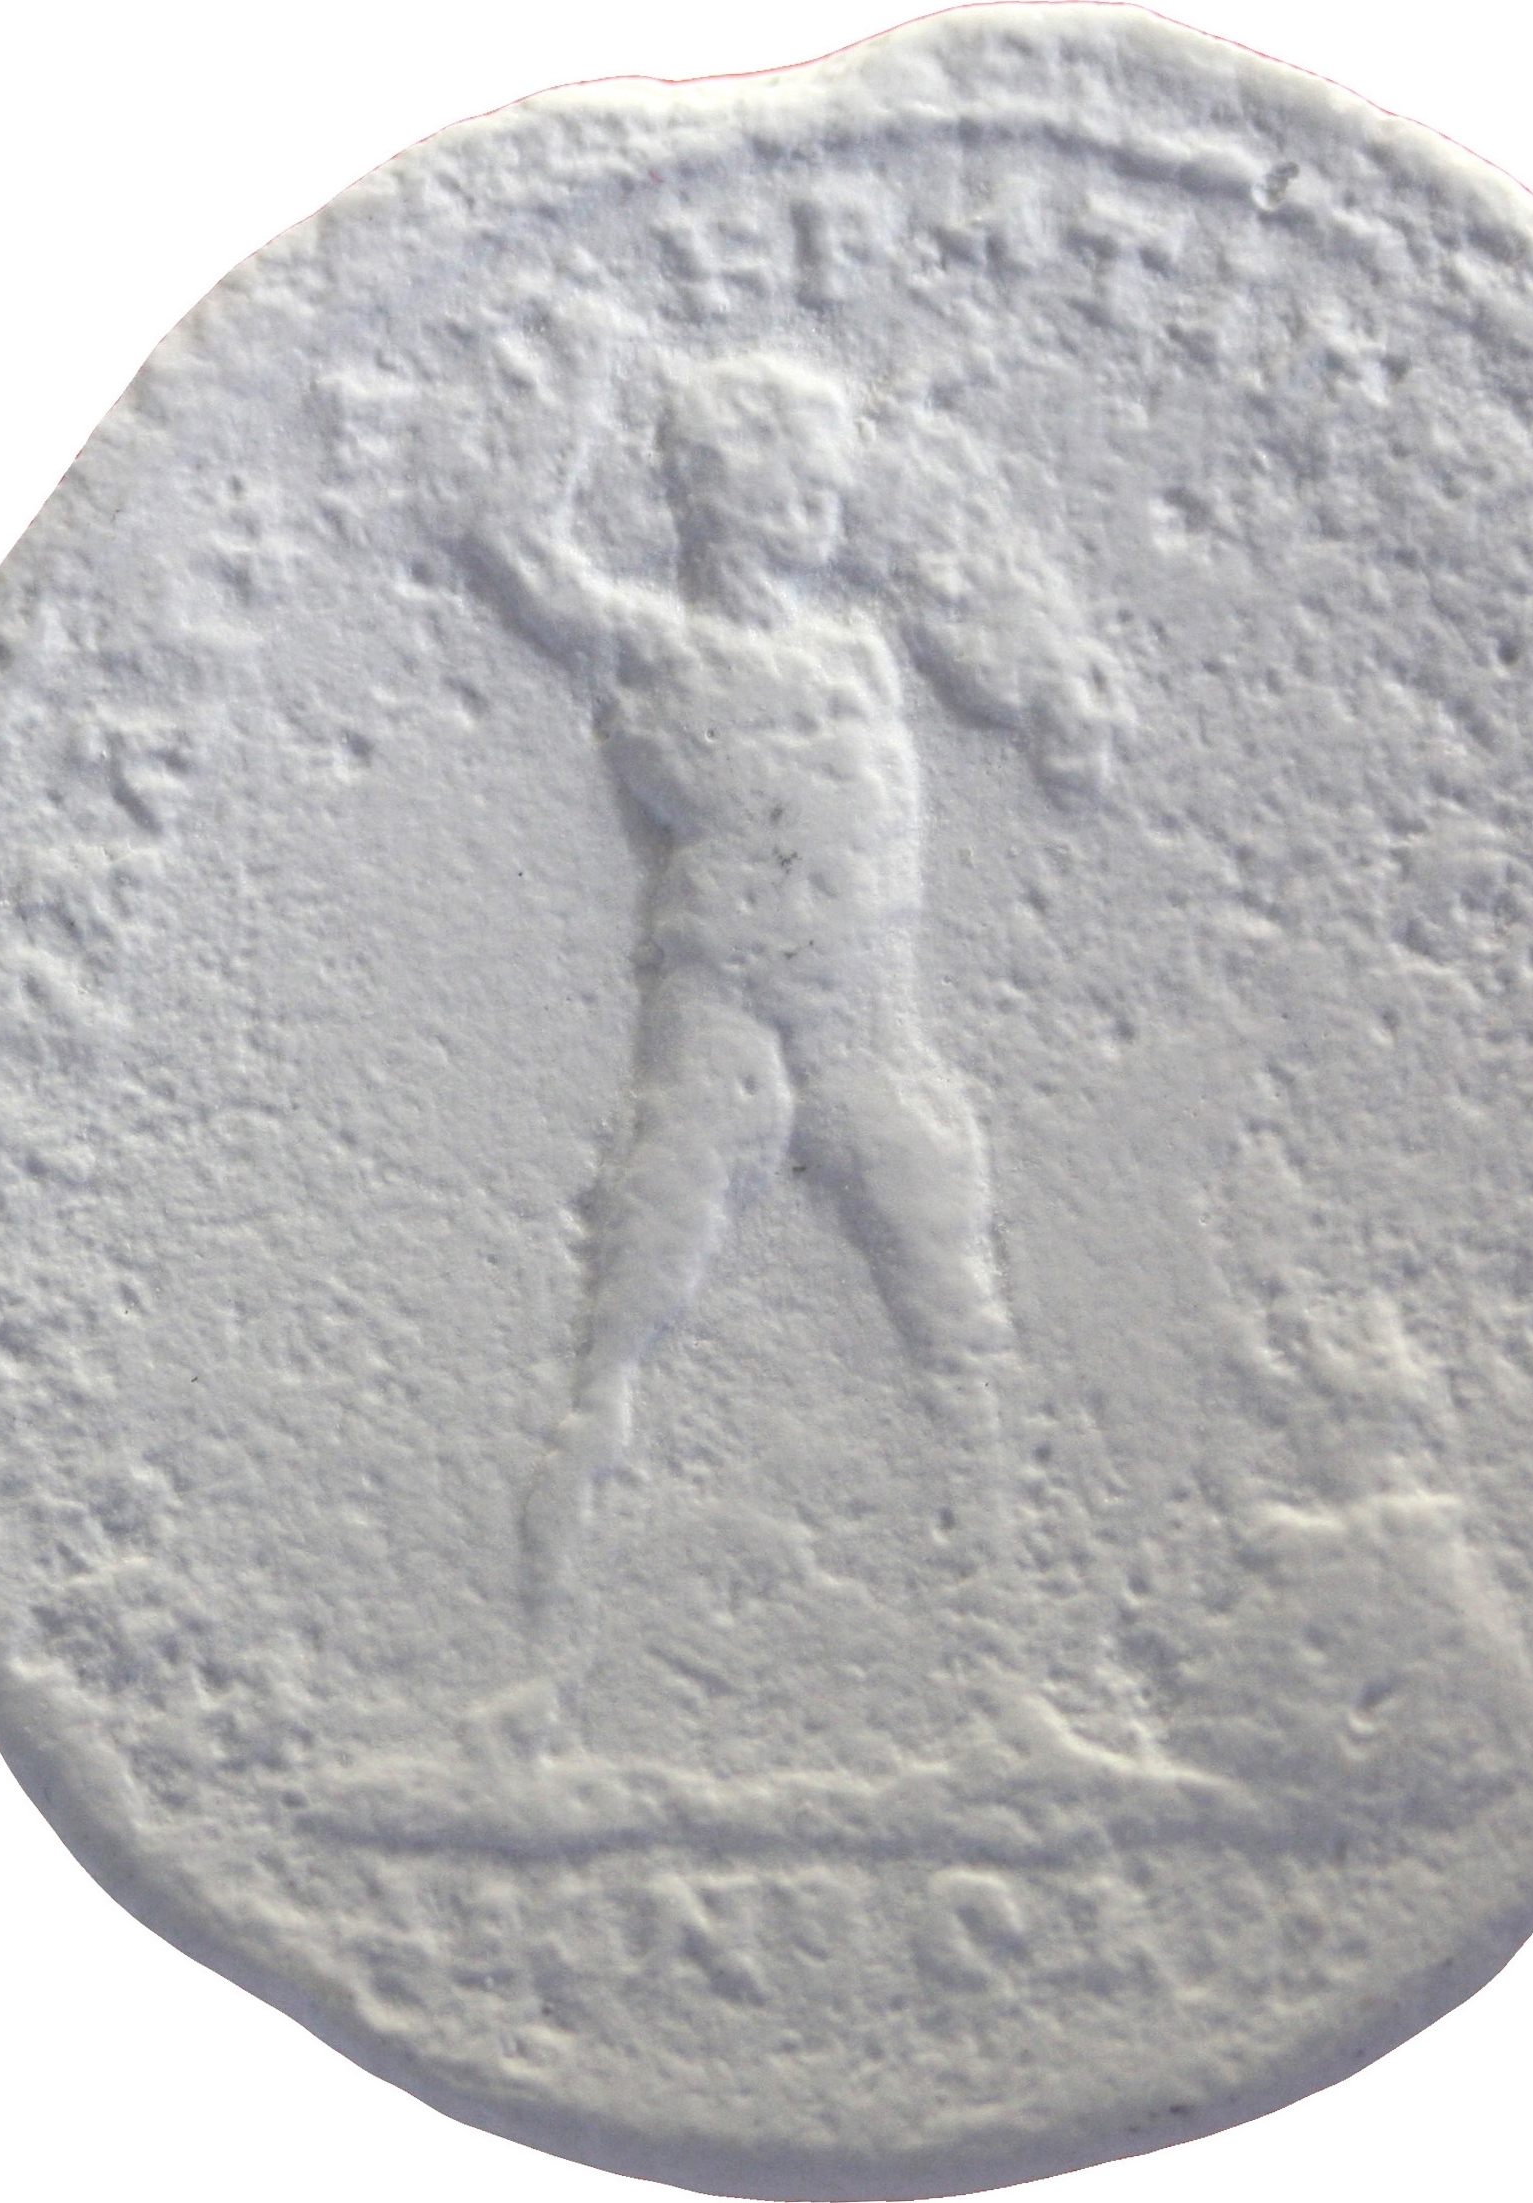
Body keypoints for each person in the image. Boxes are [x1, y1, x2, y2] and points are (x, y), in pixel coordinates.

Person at [463, 350, 1128, 1621]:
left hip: (869, 1031)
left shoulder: (861, 650)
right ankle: (540, 1654)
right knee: (625, 1329)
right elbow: (517, 547)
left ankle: (1016, 1652)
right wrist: (571, 372)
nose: (829, 502)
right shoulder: (653, 645)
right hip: (725, 1026)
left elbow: (997, 630)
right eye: (803, 481)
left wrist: (1061, 697)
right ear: (719, 489)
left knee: (961, 1330)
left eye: (833, 479)